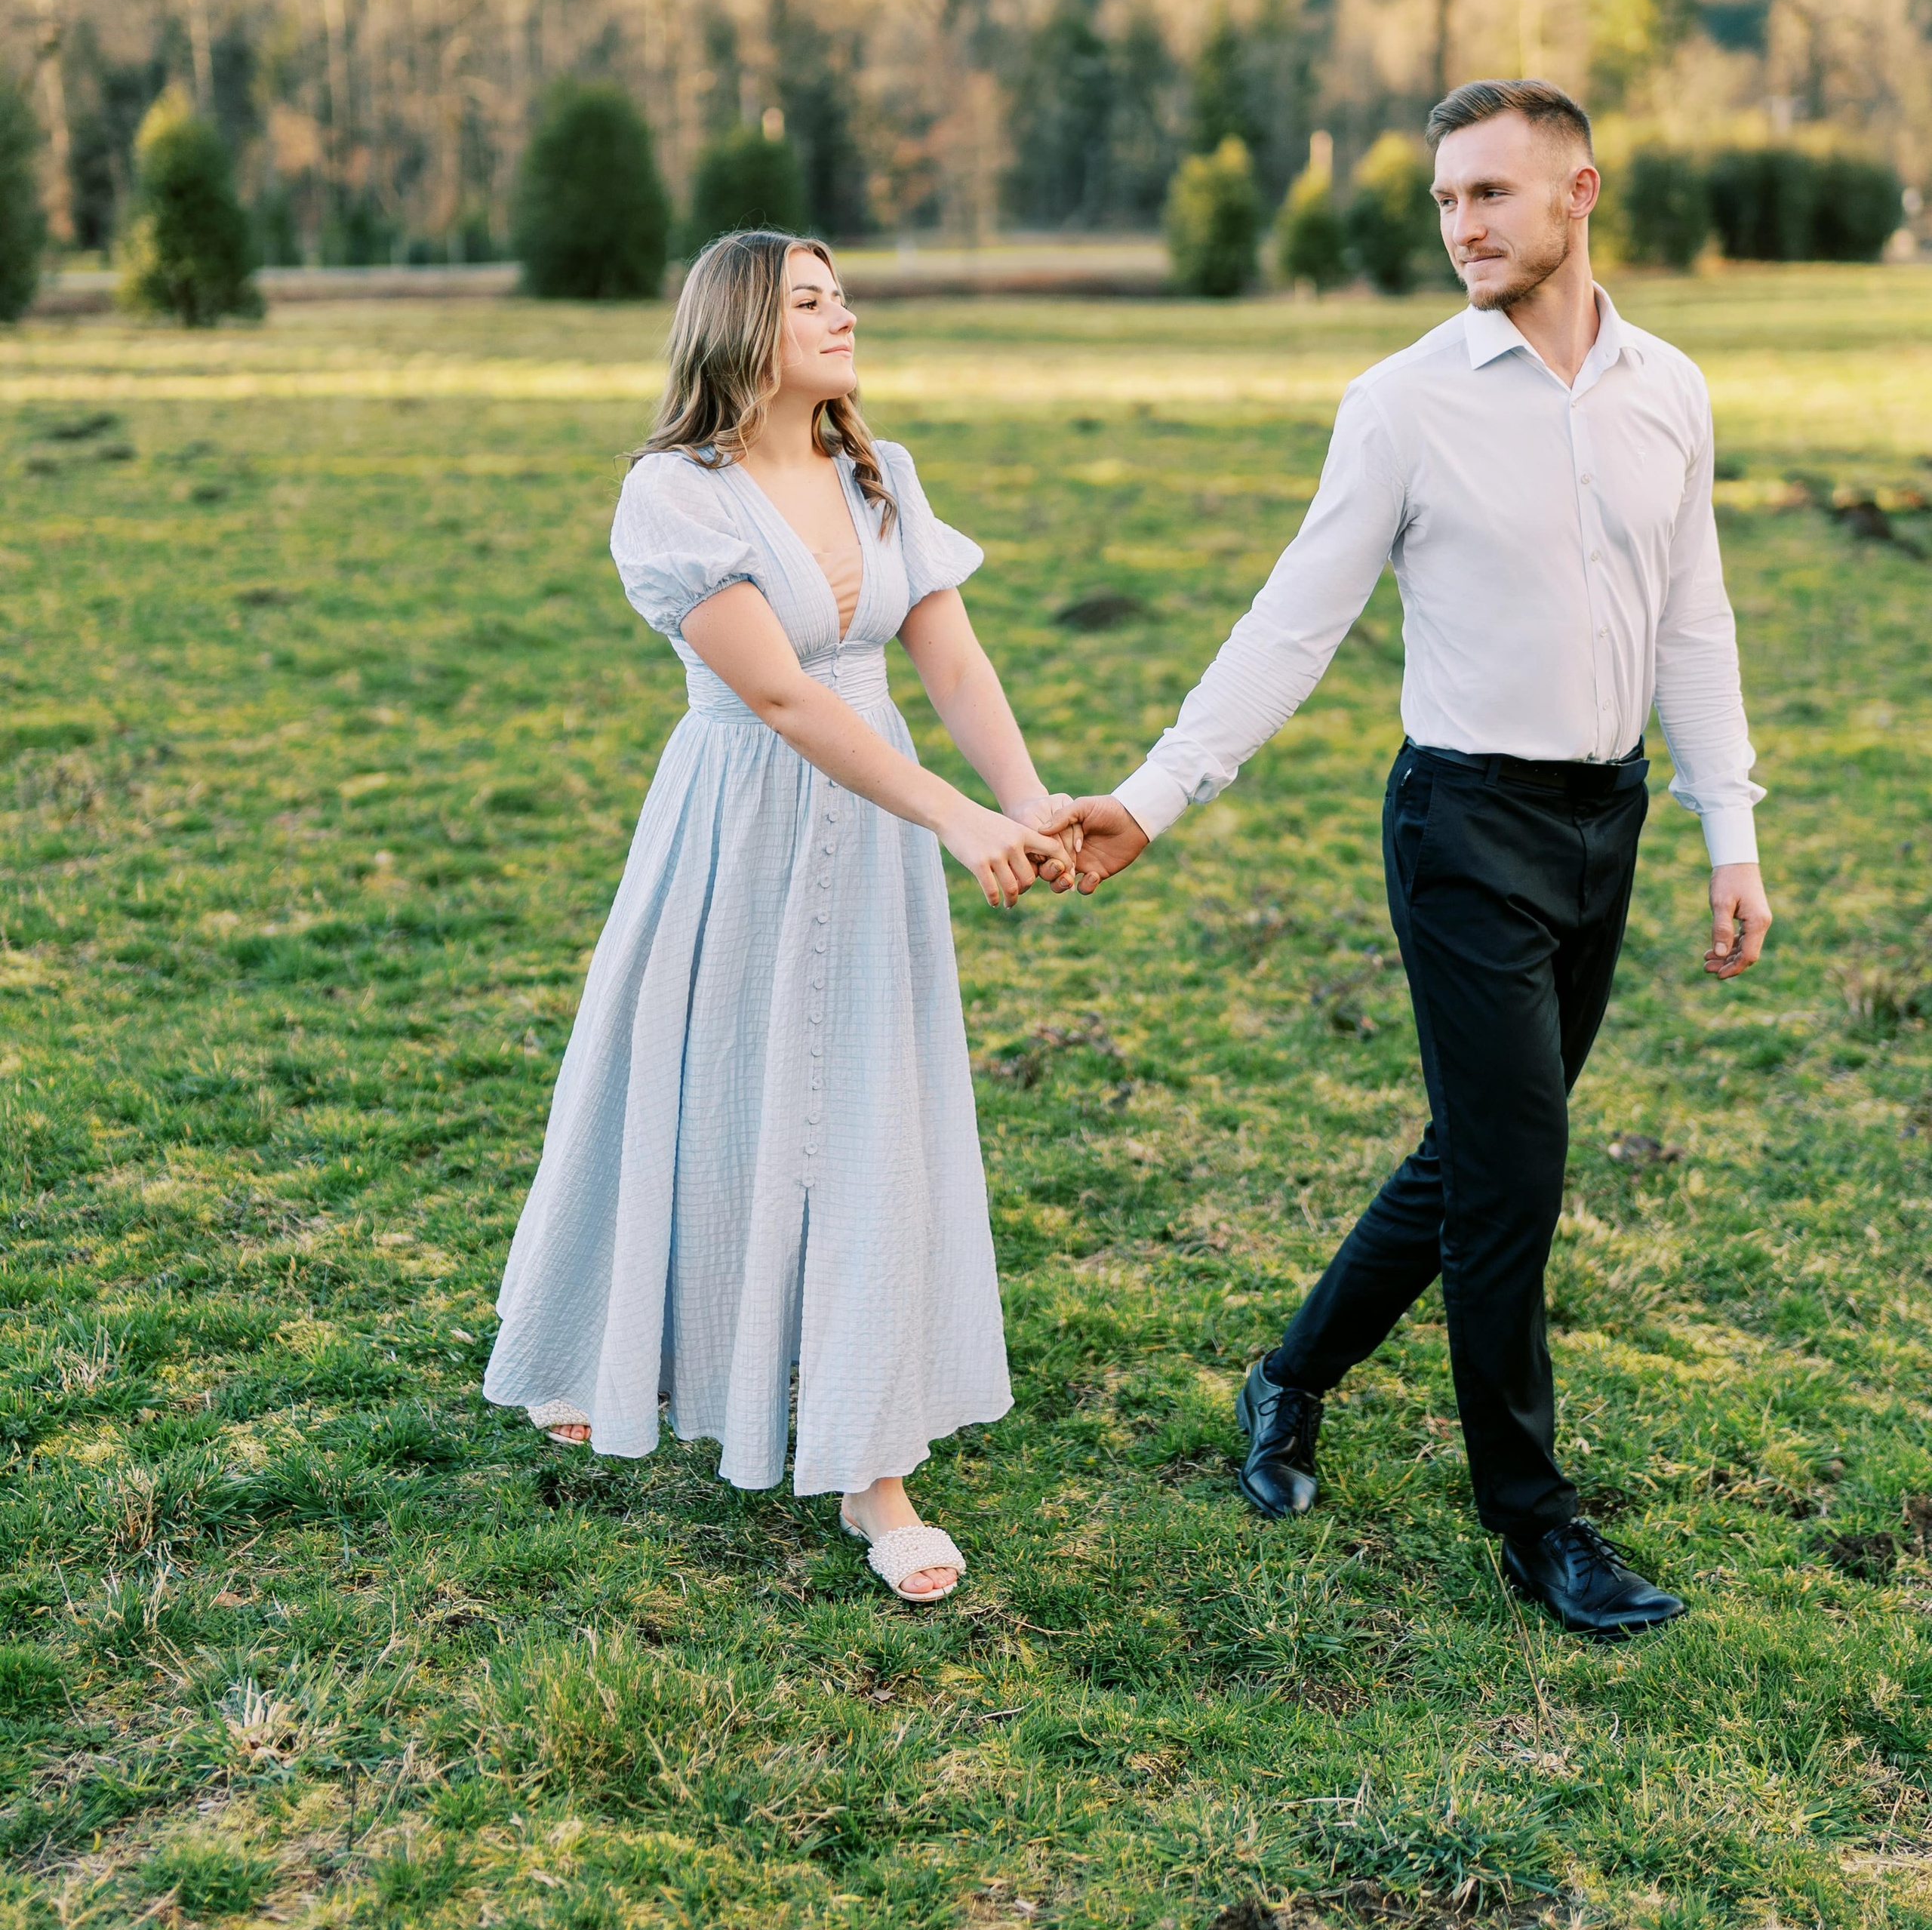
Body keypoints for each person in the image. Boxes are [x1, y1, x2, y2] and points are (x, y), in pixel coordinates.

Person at [1067, 79, 1772, 1636]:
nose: (1459, 226)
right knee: (1513, 1178)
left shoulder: (1669, 387)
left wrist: (1729, 830)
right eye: (1445, 200)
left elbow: (1690, 616)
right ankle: (1536, 1529)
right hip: (1462, 827)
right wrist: (1154, 793)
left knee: (1472, 1155)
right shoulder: (1400, 403)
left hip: (1609, 821)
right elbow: (1292, 619)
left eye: (1490, 197)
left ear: (1576, 194)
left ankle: (1286, 1374)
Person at [484, 230, 1075, 1603]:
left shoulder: (882, 471)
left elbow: (950, 651)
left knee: (866, 1111)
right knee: (693, 1090)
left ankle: (874, 1469)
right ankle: (604, 1351)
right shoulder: (671, 496)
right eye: (811, 300)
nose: (844, 315)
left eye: (843, 294)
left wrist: (1027, 802)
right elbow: (785, 697)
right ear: (743, 327)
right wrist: (957, 819)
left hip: (875, 833)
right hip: (740, 822)